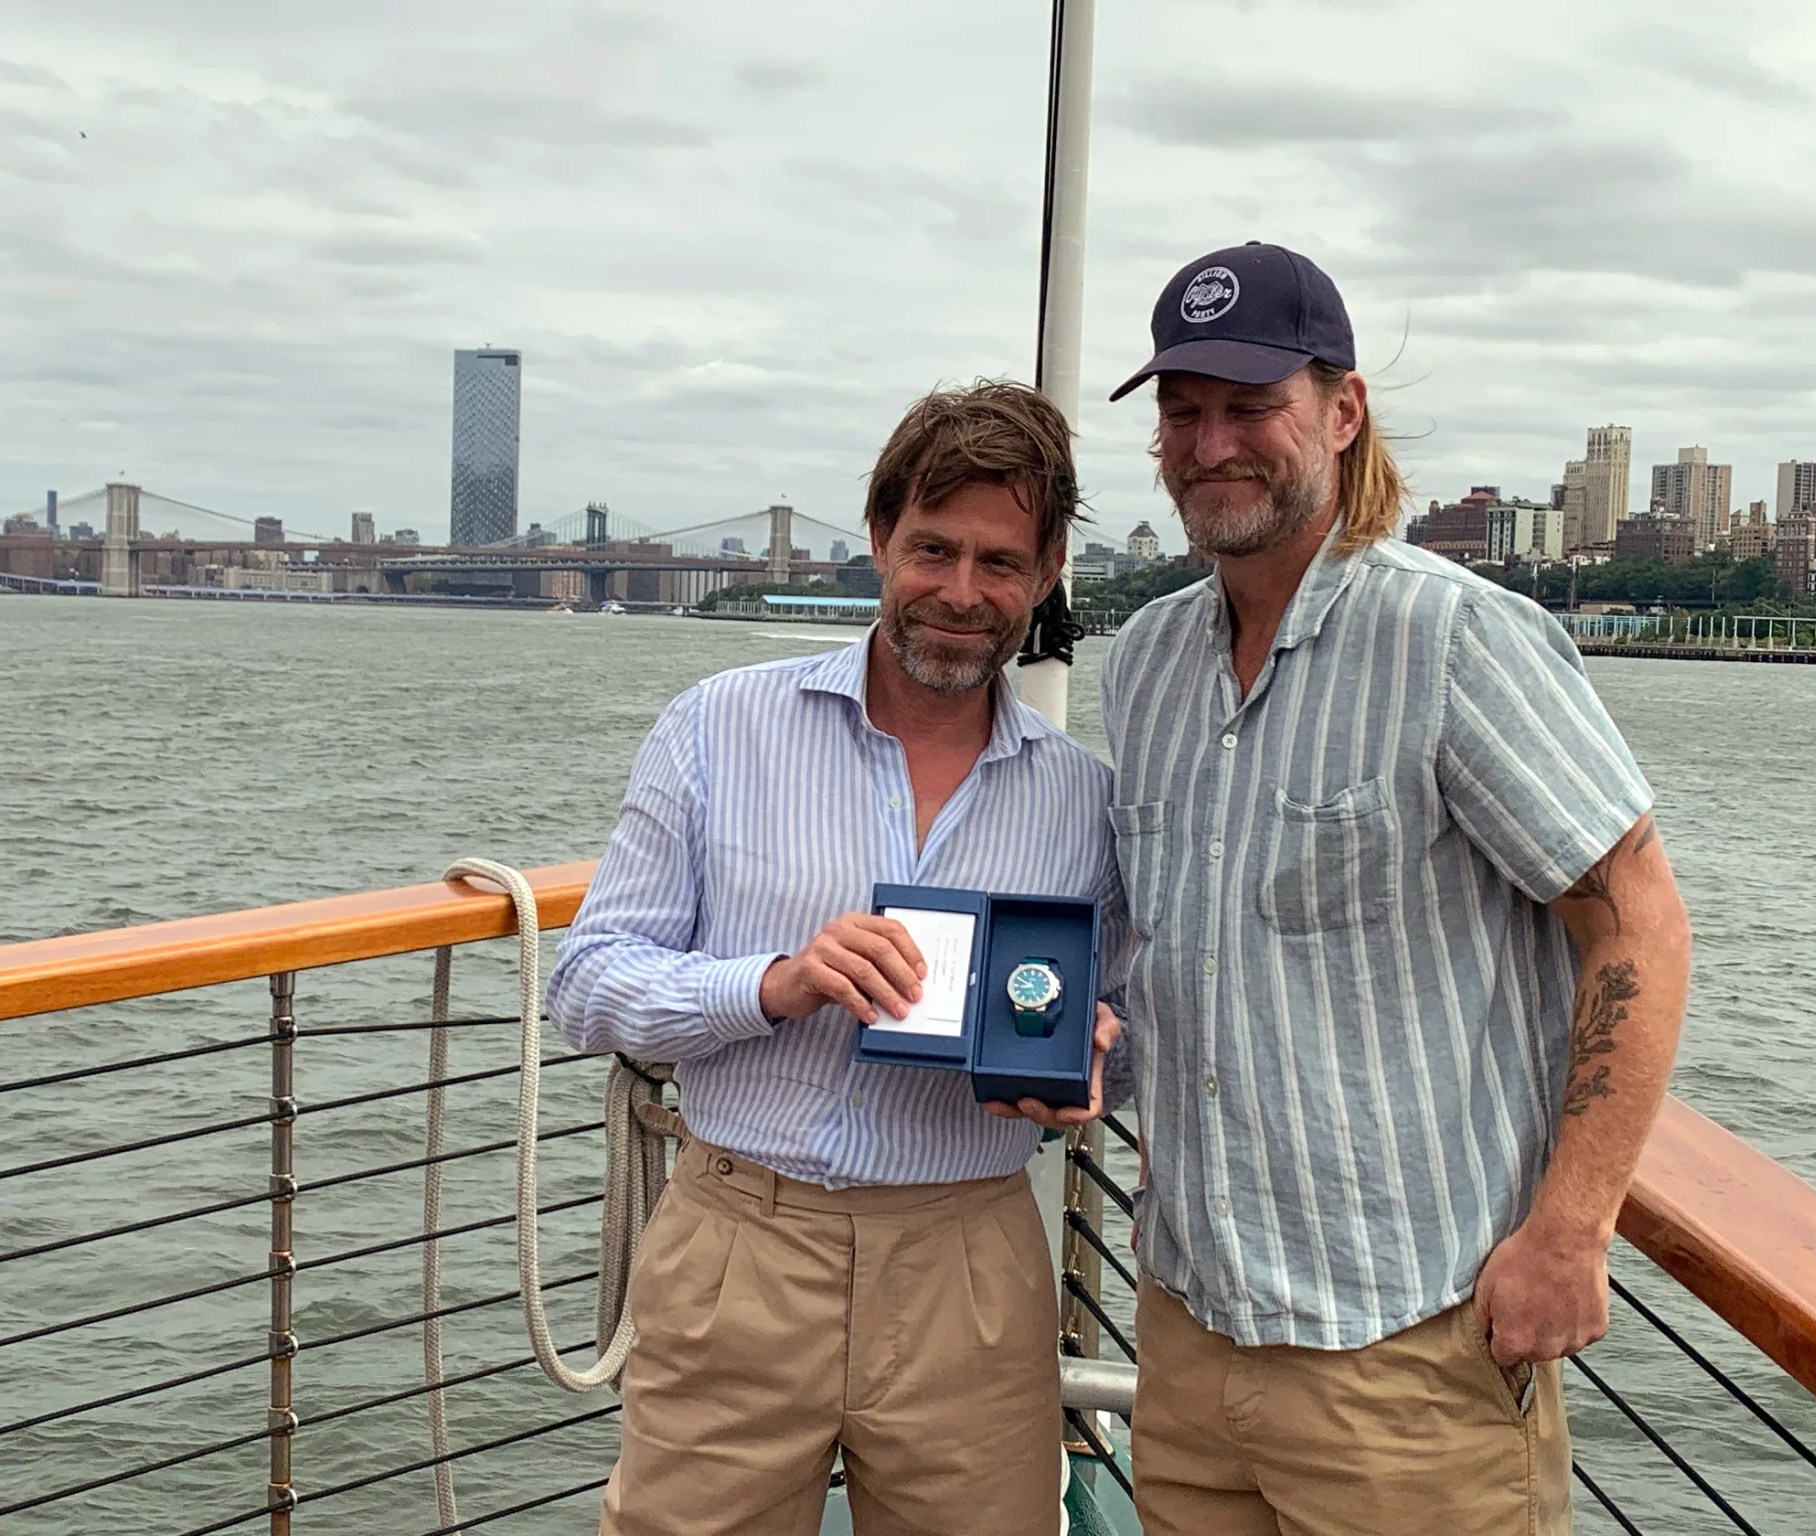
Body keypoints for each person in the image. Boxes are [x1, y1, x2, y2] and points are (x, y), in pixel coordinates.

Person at [1099, 243, 1692, 1534]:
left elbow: (1636, 920)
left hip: (1406, 1351)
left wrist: (1573, 1228)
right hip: (1189, 1330)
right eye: (1182, 411)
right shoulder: (1143, 663)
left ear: (1342, 411)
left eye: (1251, 406)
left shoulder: (1453, 636)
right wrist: (1091, 1050)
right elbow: (1171, 949)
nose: (1210, 445)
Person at [547, 379, 1129, 1536]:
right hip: (740, 1246)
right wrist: (773, 984)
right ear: (876, 537)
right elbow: (586, 983)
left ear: (1050, 569)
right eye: (933, 549)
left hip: (970, 1258)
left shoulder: (1087, 801)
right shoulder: (717, 724)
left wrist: (1097, 1053)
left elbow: (1109, 1016)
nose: (963, 595)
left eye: (1002, 563)